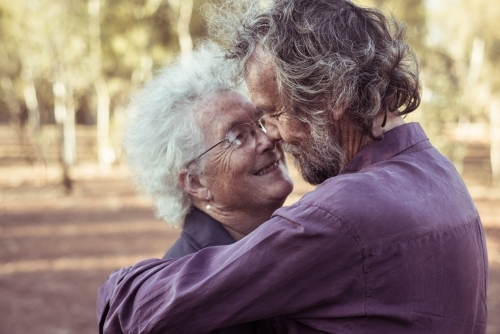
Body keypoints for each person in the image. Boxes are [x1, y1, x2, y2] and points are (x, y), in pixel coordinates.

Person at [97, 1, 488, 333]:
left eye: (270, 114)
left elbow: (131, 308)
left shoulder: (343, 215)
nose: (272, 136)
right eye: (240, 133)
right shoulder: (441, 175)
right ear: (194, 182)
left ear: (328, 96)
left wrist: (118, 289)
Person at [96, 43, 293, 334]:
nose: (267, 140)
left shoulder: (281, 246)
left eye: (261, 123)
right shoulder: (186, 298)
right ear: (195, 182)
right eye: (238, 136)